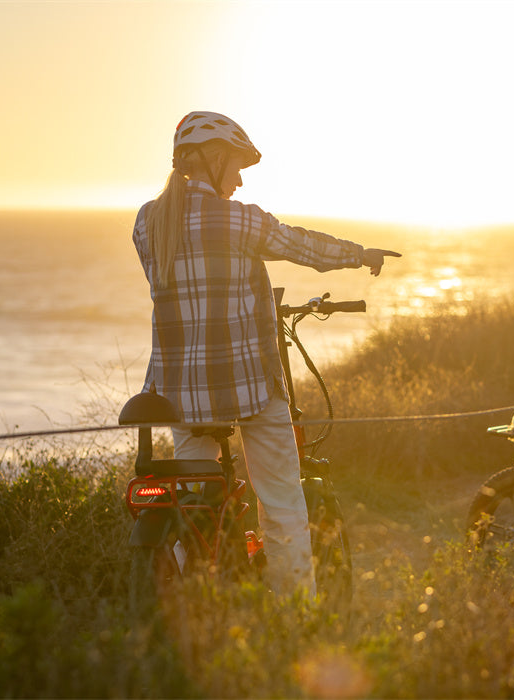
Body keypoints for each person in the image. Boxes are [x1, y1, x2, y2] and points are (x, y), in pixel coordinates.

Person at [132, 111, 400, 596]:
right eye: (235, 167)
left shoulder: (147, 222)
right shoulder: (241, 220)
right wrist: (362, 254)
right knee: (281, 505)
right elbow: (305, 248)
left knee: (193, 506)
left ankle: (185, 601)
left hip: (178, 395)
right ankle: (293, 620)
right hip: (248, 386)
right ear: (214, 160)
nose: (237, 180)